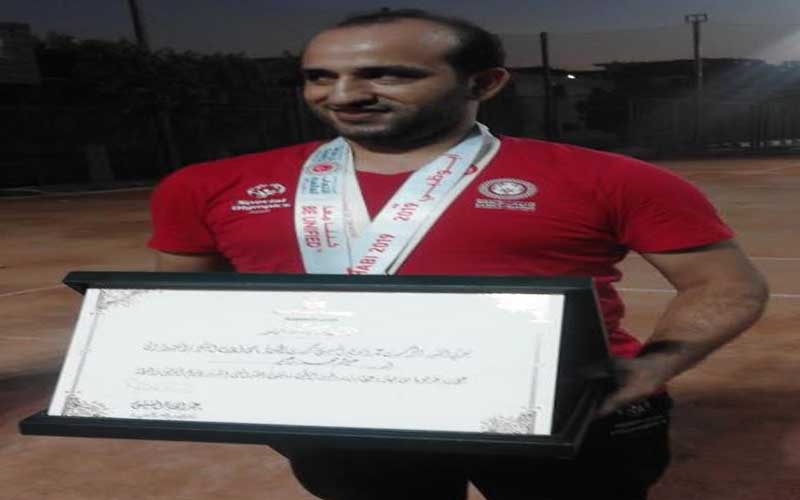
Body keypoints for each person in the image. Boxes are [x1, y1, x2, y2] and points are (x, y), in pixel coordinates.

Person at [148, 9, 769, 500]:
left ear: (485, 82)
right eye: (319, 77)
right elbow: (180, 302)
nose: (345, 94)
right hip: (342, 415)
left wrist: (654, 368)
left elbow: (724, 283)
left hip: (565, 408)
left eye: (388, 75)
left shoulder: (611, 178)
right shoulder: (204, 186)